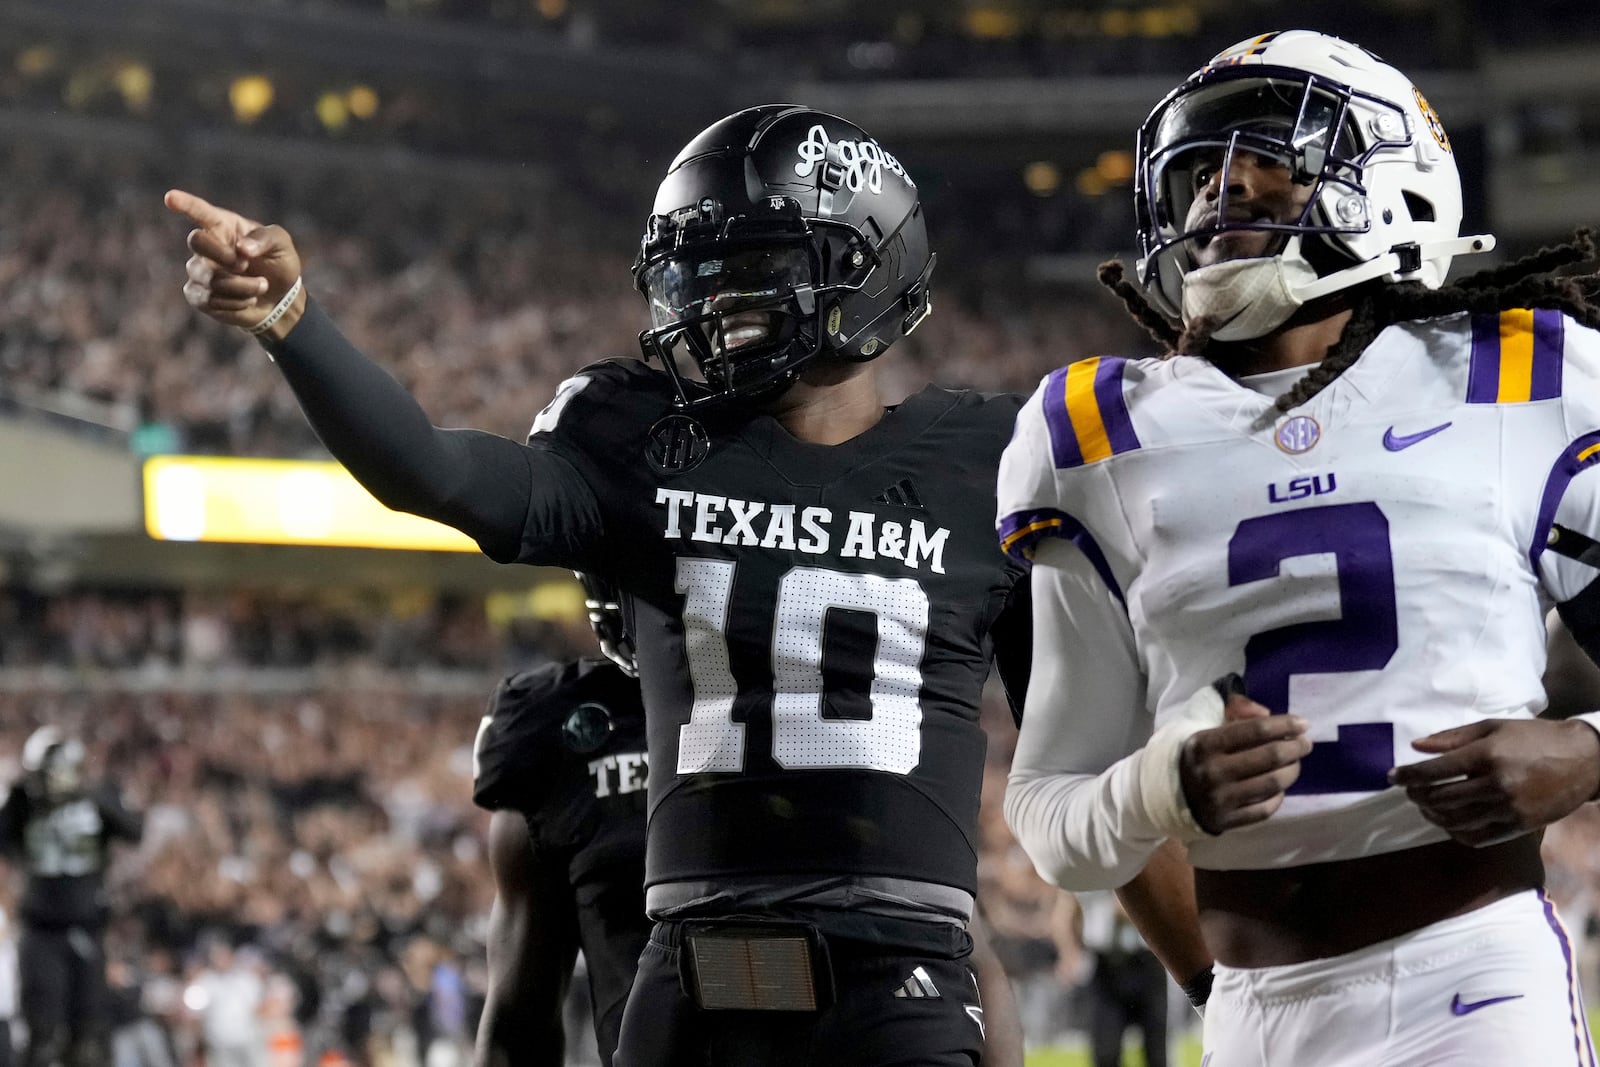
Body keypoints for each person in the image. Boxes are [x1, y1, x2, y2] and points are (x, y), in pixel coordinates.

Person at [166, 104, 1116, 1066]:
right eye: (697, 272)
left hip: (901, 963)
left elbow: (1072, 736)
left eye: (749, 268)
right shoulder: (646, 437)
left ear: (863, 266)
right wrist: (291, 320)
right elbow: (433, 473)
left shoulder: (991, 456)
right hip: (697, 955)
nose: (711, 303)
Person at [997, 28, 1600, 1066]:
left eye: (1266, 165)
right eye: (1198, 177)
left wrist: (1585, 751)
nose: (1217, 198)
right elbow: (1051, 810)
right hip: (1251, 1011)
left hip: (1475, 972)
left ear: (1393, 188)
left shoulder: (1518, 377)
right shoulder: (1094, 432)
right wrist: (1159, 788)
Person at [0, 727, 144, 1067]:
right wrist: (19, 795)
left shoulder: (98, 796)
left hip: (88, 927)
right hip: (41, 930)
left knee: (90, 1037)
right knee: (42, 1035)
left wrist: (95, 797)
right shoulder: (24, 803)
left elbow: (134, 829)